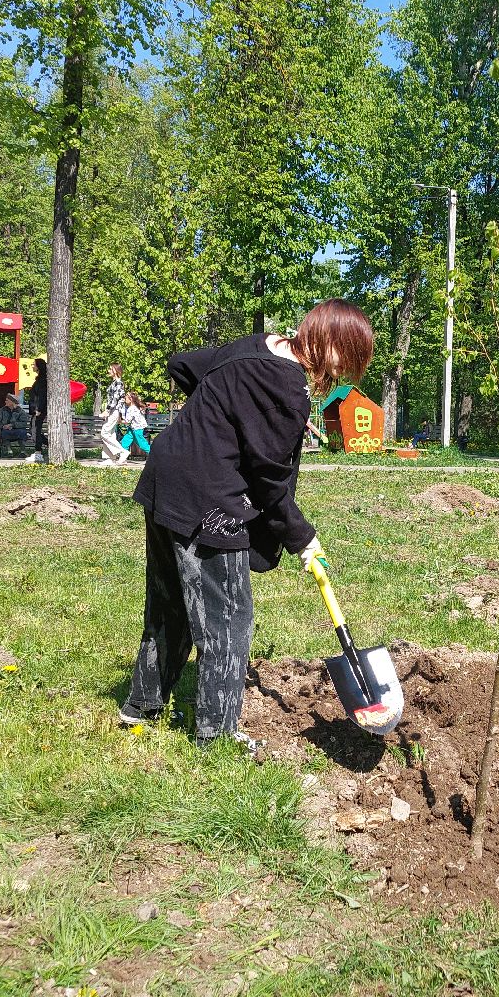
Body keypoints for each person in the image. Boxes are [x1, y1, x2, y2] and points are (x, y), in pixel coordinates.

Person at [118, 299, 375, 752]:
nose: (345, 370)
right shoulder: (287, 389)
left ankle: (142, 705)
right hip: (210, 499)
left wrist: (218, 416)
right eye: (347, 357)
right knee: (228, 617)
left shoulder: (255, 346)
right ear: (328, 341)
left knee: (170, 602)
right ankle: (216, 736)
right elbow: (271, 484)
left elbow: (182, 365)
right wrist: (304, 539)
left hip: (165, 478)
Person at [98, 362, 126, 465]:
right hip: (113, 411)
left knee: (104, 433)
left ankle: (122, 452)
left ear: (115, 370)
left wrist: (107, 410)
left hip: (114, 411)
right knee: (110, 434)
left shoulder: (118, 383)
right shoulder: (114, 382)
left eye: (110, 369)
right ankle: (110, 458)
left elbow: (115, 399)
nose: (108, 371)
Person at [26, 357, 48, 464]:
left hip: (39, 410)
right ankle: (49, 444)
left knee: (36, 430)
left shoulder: (42, 380)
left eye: (34, 364)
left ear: (38, 367)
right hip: (36, 409)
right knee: (34, 429)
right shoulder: (39, 379)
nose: (32, 366)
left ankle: (38, 453)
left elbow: (42, 396)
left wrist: (39, 409)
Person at [118, 390, 150, 462]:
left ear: (131, 399)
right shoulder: (134, 407)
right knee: (125, 441)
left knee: (142, 444)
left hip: (137, 429)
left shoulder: (132, 408)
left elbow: (127, 421)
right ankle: (123, 458)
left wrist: (118, 421)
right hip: (132, 428)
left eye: (126, 398)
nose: (125, 400)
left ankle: (155, 454)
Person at [0, 392, 30, 457]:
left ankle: (23, 452)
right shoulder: (2, 410)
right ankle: (9, 451)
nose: (5, 402)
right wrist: (3, 426)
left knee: (22, 432)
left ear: (12, 402)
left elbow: (24, 423)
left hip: (18, 429)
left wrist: (12, 425)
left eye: (7, 400)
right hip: (6, 430)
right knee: (4, 432)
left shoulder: (20, 411)